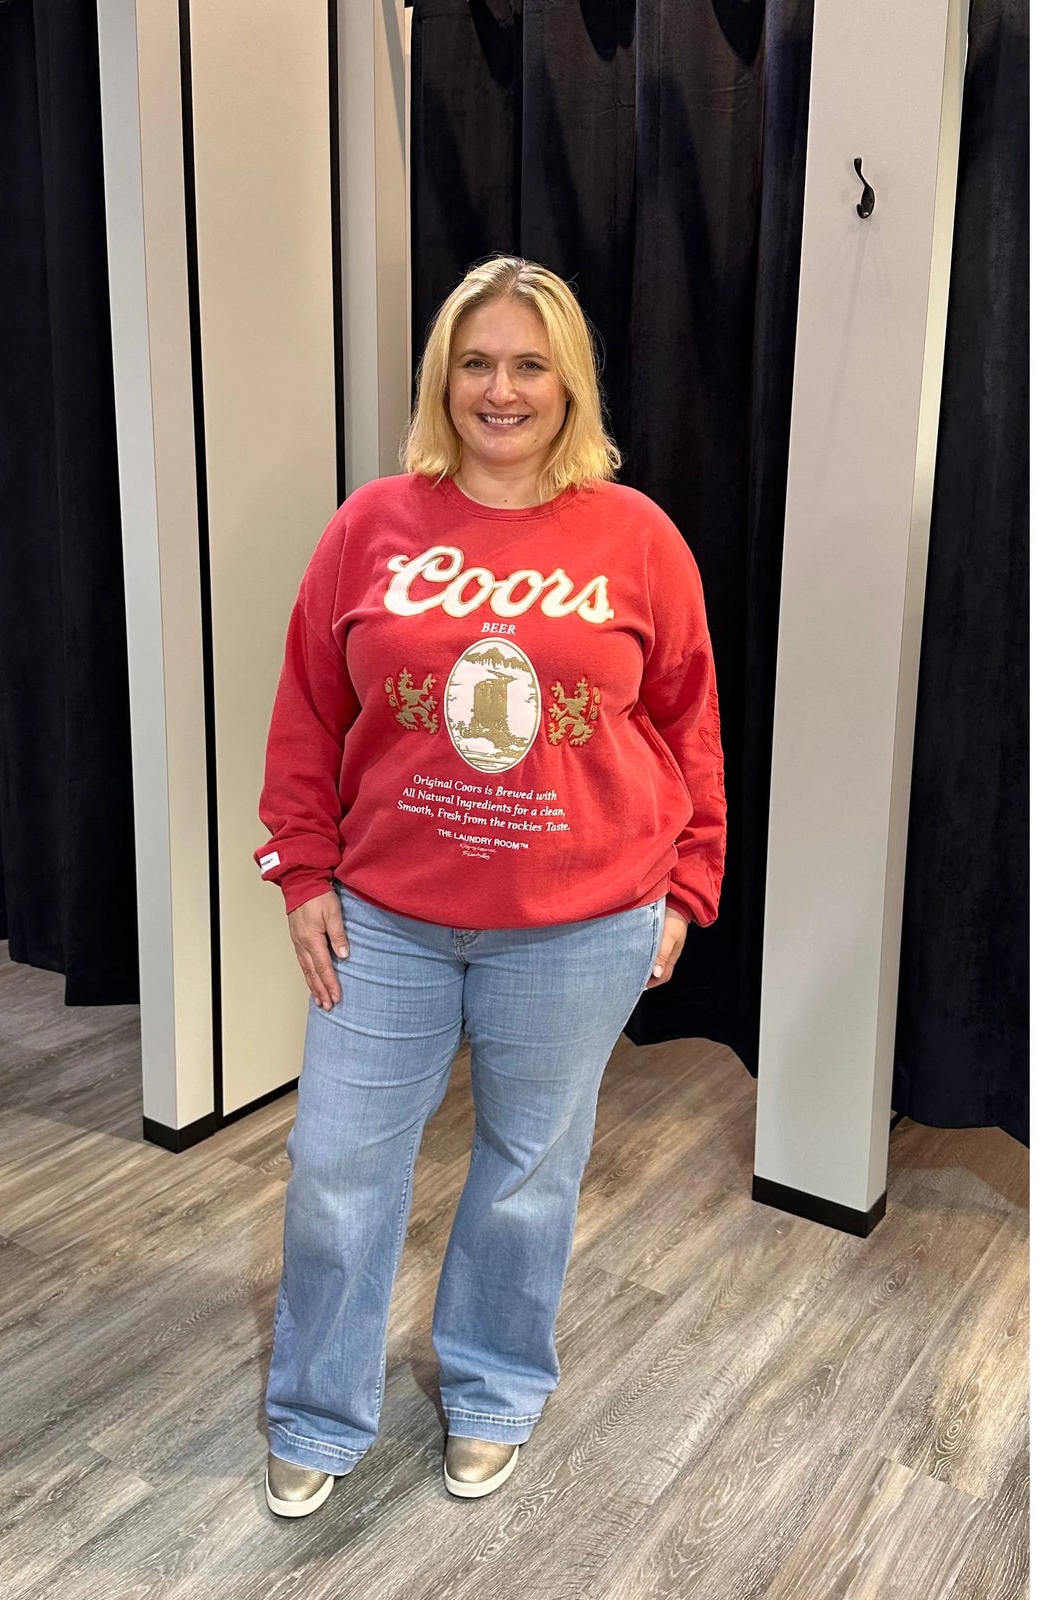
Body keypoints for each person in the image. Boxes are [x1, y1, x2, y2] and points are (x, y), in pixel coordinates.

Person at [251, 256, 726, 1518]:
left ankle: (495, 1387)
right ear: (441, 379)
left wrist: (687, 886)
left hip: (577, 927)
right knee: (339, 1165)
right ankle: (315, 1407)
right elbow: (309, 705)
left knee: (529, 1169)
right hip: (388, 920)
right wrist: (300, 868)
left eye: (528, 364)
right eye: (475, 363)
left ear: (568, 381)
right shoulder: (371, 526)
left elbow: (687, 722)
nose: (500, 389)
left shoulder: (637, 538)